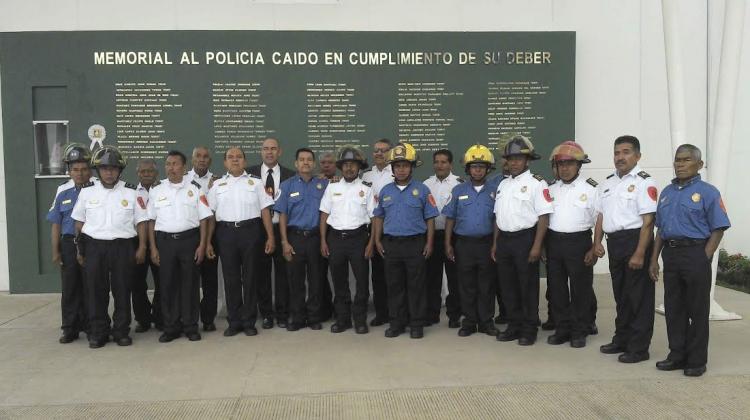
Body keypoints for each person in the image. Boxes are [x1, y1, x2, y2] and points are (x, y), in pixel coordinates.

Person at [649, 144, 730, 377]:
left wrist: (705, 256)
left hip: (696, 253)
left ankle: (696, 360)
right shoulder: (667, 192)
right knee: (674, 308)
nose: (680, 164)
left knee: (697, 309)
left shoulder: (708, 192)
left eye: (686, 160)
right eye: (677, 160)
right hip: (671, 255)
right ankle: (677, 355)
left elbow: (718, 228)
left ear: (699, 165)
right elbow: (661, 230)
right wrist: (654, 259)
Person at [71, 146, 148, 348]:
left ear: (120, 170)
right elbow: (79, 222)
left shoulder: (132, 192)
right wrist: (79, 249)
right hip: (94, 246)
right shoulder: (87, 192)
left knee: (122, 290)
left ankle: (121, 331)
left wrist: (142, 247)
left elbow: (141, 222)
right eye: (104, 168)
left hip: (123, 247)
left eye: (113, 168)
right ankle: (98, 332)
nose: (109, 172)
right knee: (96, 291)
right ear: (98, 170)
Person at [594, 135, 657, 364]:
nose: (620, 157)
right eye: (617, 152)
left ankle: (639, 348)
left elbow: (648, 220)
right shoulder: (608, 182)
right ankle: (622, 339)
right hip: (615, 243)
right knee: (621, 295)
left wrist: (640, 252)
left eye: (626, 152)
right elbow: (601, 214)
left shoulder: (644, 182)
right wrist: (597, 241)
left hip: (635, 240)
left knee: (639, 297)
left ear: (637, 156)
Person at [373, 142, 439, 339]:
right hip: (391, 244)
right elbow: (378, 216)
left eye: (405, 165)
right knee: (394, 286)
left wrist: (429, 242)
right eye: (397, 166)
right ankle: (397, 323)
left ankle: (416, 323)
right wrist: (377, 240)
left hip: (415, 244)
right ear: (392, 169)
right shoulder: (385, 191)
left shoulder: (423, 190)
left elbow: (430, 218)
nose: (401, 170)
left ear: (412, 167)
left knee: (416, 285)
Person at [208, 147, 276, 337]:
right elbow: (211, 216)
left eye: (239, 157)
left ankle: (249, 321)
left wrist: (270, 236)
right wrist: (208, 242)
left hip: (251, 232)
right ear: (225, 163)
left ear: (245, 162)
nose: (235, 160)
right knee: (231, 279)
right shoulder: (217, 185)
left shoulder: (256, 183)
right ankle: (234, 321)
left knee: (251, 278)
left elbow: (265, 211)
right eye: (230, 157)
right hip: (226, 233)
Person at [492, 135, 553, 346]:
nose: (514, 162)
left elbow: (544, 217)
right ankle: (514, 325)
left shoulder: (537, 183)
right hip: (505, 241)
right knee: (508, 286)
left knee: (527, 286)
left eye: (519, 158)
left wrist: (537, 245)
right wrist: (495, 243)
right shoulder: (503, 185)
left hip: (525, 239)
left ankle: (529, 328)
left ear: (527, 160)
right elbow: (499, 217)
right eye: (511, 158)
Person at [147, 150, 212, 343]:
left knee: (190, 285)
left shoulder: (195, 188)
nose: (171, 168)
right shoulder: (156, 190)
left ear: (184, 167)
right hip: (165, 243)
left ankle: (191, 326)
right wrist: (153, 248)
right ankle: (171, 327)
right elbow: (150, 220)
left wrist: (202, 245)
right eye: (168, 164)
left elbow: (204, 219)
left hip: (189, 241)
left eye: (175, 164)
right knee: (167, 285)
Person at [545, 141, 600, 348]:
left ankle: (579, 330)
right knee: (557, 289)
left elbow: (599, 219)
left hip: (580, 242)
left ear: (579, 165)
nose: (565, 168)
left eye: (569, 164)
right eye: (561, 164)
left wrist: (595, 247)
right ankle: (562, 328)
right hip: (554, 242)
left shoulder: (591, 188)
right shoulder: (550, 189)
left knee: (581, 290)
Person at [443, 144, 501, 338]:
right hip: (464, 245)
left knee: (486, 285)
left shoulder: (495, 191)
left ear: (488, 169)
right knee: (466, 284)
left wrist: (495, 243)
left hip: (486, 244)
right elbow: (450, 218)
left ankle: (486, 321)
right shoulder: (458, 190)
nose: (477, 170)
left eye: (481, 166)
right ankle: (469, 321)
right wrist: (448, 243)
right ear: (467, 169)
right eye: (474, 166)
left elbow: (497, 220)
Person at [320, 146, 376, 334]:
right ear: (340, 167)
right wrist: (323, 240)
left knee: (361, 282)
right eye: (345, 165)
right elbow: (324, 215)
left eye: (353, 165)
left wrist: (371, 243)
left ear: (359, 167)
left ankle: (360, 320)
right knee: (339, 282)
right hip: (335, 238)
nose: (349, 168)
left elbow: (375, 217)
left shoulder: (367, 189)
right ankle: (343, 319)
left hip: (359, 239)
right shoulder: (332, 187)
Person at [275, 148, 328, 331]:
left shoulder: (323, 185)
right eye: (302, 160)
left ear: (313, 164)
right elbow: (282, 215)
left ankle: (314, 317)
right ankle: (297, 317)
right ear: (296, 164)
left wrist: (323, 240)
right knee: (295, 281)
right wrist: (284, 242)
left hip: (315, 238)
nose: (305, 163)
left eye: (309, 160)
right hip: (294, 238)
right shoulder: (287, 185)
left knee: (316, 280)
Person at [47, 143, 92, 343]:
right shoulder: (63, 192)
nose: (80, 173)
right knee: (70, 287)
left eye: (83, 169)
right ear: (69, 171)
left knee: (91, 286)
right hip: (67, 244)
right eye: (75, 169)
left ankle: (91, 325)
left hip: (91, 243)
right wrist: (55, 251)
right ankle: (70, 328)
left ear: (90, 170)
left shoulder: (98, 189)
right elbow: (56, 222)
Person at [248, 137, 294, 329]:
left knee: (284, 273)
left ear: (279, 151)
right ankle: (266, 313)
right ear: (261, 151)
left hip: (283, 228)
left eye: (273, 148)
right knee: (262, 274)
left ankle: (282, 313)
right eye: (266, 149)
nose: (269, 152)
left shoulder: (290, 175)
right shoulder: (249, 174)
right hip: (258, 229)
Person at [423, 149, 462, 328]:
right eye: (437, 162)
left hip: (453, 236)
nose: (440, 165)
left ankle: (454, 315)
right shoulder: (426, 184)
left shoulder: (459, 184)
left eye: (444, 162)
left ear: (450, 164)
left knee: (454, 277)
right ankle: (432, 313)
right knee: (432, 277)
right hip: (431, 235)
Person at [187, 146, 221, 332]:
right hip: (190, 235)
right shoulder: (183, 180)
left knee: (210, 279)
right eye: (198, 156)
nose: (202, 159)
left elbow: (213, 211)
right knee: (190, 280)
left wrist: (207, 241)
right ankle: (190, 318)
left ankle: (208, 318)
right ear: (192, 160)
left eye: (205, 157)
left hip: (212, 235)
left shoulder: (218, 181)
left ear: (210, 160)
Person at [361, 138, 393, 326]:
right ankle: (382, 313)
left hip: (392, 229)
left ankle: (396, 311)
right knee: (378, 275)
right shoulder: (366, 176)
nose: (379, 154)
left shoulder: (396, 172)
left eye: (383, 150)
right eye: (376, 150)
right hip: (372, 230)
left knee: (394, 274)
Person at [132, 159, 162, 333]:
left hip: (160, 240)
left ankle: (160, 316)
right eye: (143, 171)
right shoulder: (131, 193)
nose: (146, 174)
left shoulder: (163, 189)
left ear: (156, 173)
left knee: (162, 281)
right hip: (137, 242)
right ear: (138, 174)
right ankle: (142, 319)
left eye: (150, 171)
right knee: (137, 282)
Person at [317, 151, 338, 321]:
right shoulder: (314, 182)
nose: (326, 165)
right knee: (320, 273)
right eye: (323, 162)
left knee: (338, 273)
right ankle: (324, 308)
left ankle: (340, 308)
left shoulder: (343, 181)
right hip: (319, 232)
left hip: (338, 231)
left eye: (330, 162)